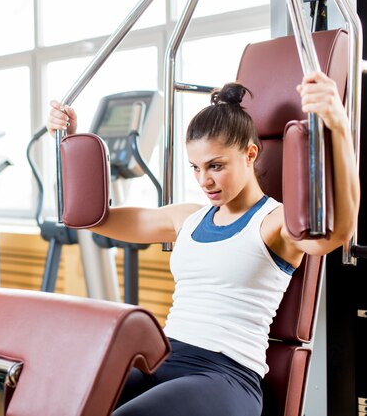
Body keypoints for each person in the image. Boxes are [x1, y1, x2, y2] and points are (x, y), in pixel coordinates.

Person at [46, 71, 360, 416]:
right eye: (195, 168)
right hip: (162, 359)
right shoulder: (187, 218)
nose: (204, 180)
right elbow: (97, 217)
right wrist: (68, 140)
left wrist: (339, 127)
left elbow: (338, 234)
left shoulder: (273, 222)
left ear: (250, 153)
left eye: (216, 166)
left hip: (224, 375)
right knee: (66, 398)